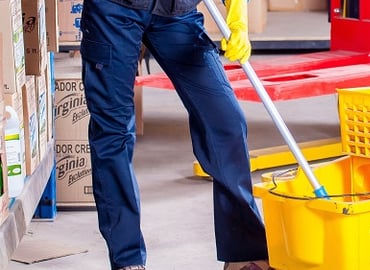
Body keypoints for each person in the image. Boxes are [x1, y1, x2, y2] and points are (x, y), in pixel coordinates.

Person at [79, 0, 271, 269]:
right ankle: (127, 259)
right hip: (114, 11)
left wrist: (239, 16)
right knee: (114, 131)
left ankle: (243, 251)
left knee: (225, 121)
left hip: (177, 14)